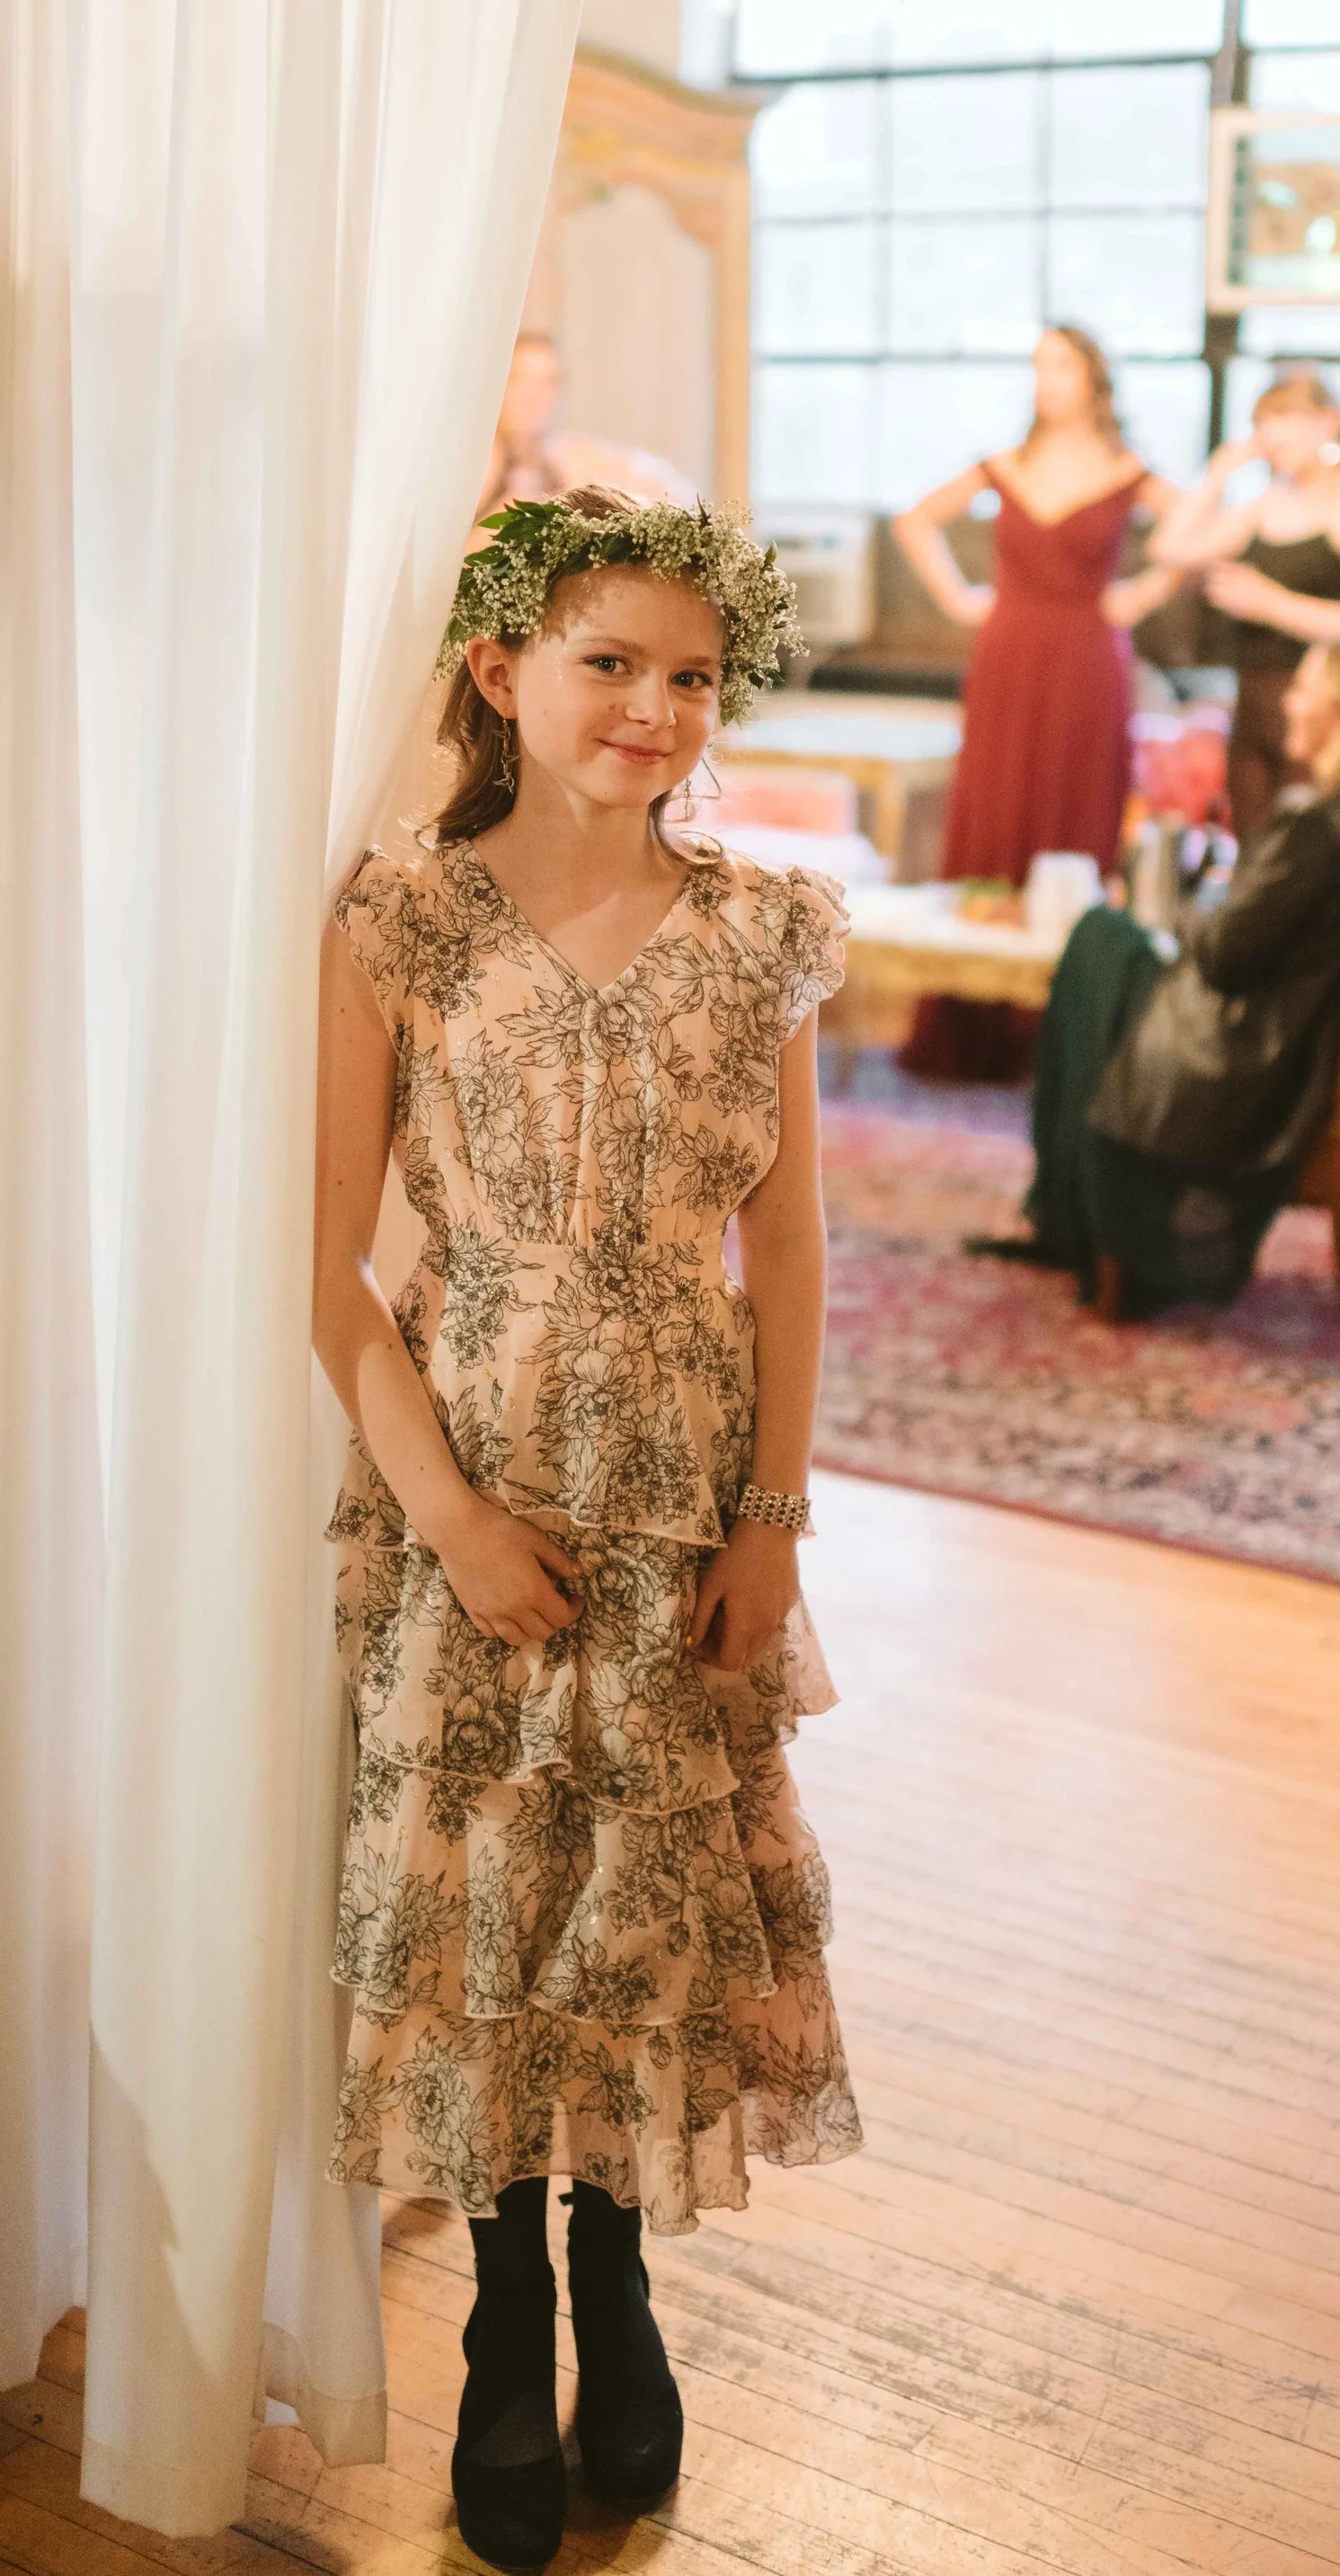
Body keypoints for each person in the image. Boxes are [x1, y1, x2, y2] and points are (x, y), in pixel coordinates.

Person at [313, 486, 860, 2572]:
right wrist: (445, 1512)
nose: (651, 709)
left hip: (691, 1495)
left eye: (691, 675)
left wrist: (776, 1519)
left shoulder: (766, 925)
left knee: (647, 1892)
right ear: (498, 669)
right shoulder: (396, 921)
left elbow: (791, 1245)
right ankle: (504, 2307)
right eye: (606, 662)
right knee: (493, 1902)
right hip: (485, 1481)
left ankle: (621, 2274)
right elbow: (320, 1265)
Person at [1003, 641, 1340, 1312]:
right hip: (1313, 1051)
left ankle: (1072, 1218)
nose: (1287, 701)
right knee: (1113, 949)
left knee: (1098, 943)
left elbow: (1225, 954)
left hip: (1263, 1062)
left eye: (1302, 689)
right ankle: (1066, 1214)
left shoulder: (1321, 827)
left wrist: (1208, 892)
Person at [893, 324, 1175, 1074]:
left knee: (1076, 811)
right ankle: (974, 1026)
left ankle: (1066, 1032)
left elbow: (1200, 533)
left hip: (1087, 656)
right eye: (1038, 365)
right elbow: (914, 519)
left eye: (1061, 364)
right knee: (998, 808)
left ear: (1093, 376)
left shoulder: (1128, 470)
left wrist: (1143, 593)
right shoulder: (1004, 465)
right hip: (1010, 651)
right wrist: (958, 599)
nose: (1045, 378)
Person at [1149, 368, 1340, 836]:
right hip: (1254, 704)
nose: (1271, 434)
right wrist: (1219, 472)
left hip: (1326, 713)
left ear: (1327, 422)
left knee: (1309, 843)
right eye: (1263, 421)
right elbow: (1168, 549)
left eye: (1286, 417)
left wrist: (1273, 604)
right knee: (1252, 841)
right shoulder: (1266, 504)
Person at [477, 326, 692, 520]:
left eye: (548, 382)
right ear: (497, 384)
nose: (535, 395)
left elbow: (665, 485)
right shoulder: (481, 461)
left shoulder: (561, 453)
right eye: (521, 378)